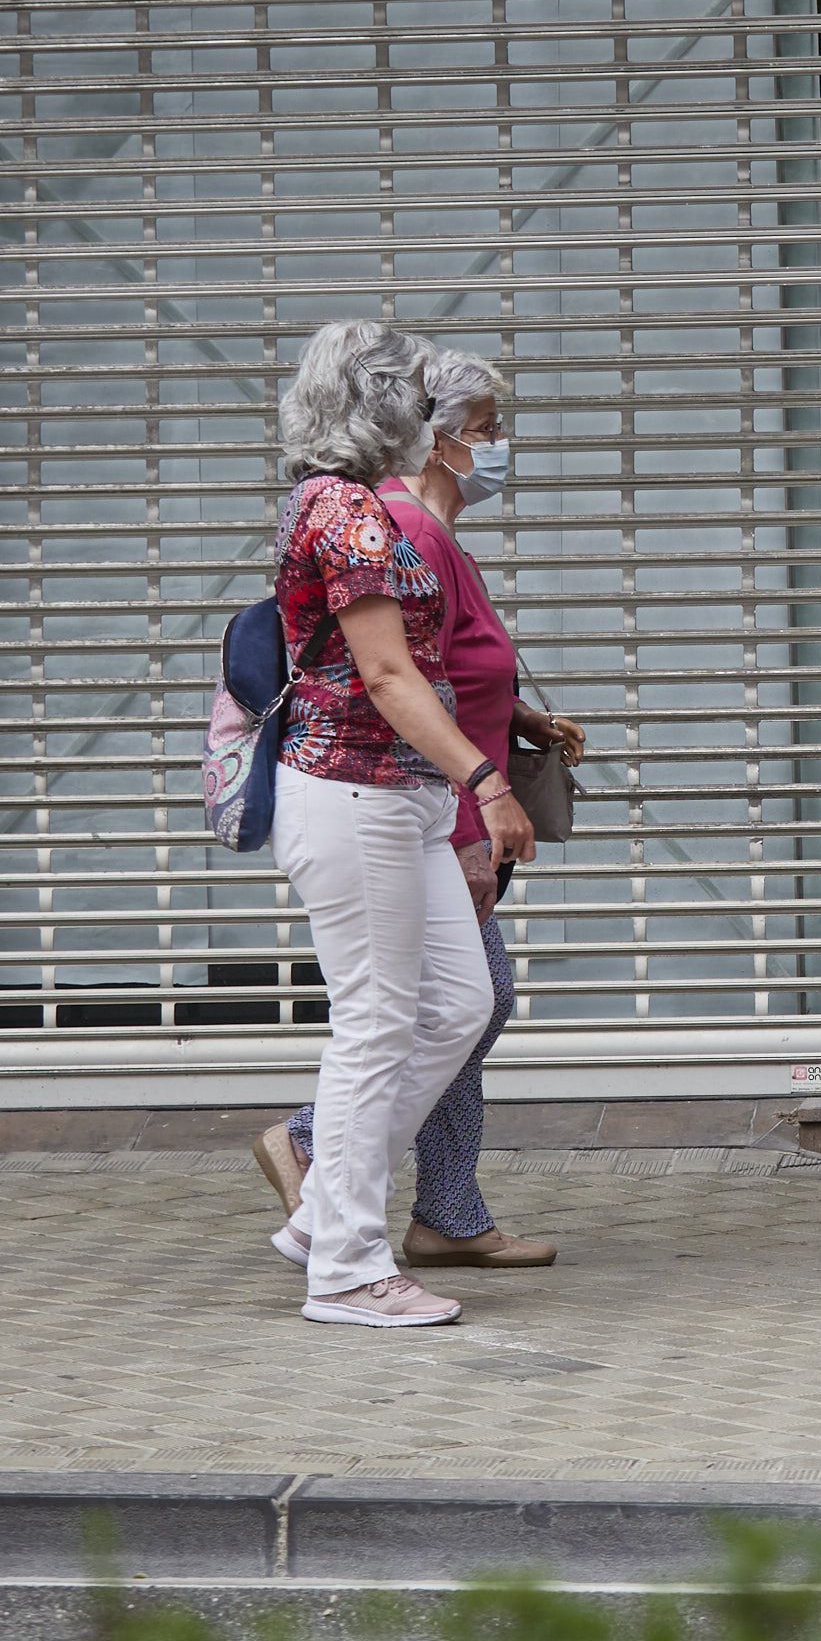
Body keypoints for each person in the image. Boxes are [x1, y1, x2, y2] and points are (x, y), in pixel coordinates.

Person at [252, 348, 585, 1271]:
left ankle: (357, 1208)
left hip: (413, 795)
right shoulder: (367, 517)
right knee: (395, 1017)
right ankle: (347, 1237)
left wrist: (506, 736)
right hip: (377, 791)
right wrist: (484, 796)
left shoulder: (370, 514)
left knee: (453, 1007)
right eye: (484, 431)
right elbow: (392, 678)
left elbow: (437, 672)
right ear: (412, 427)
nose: (498, 448)